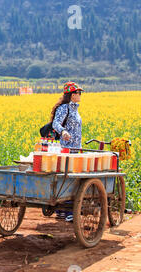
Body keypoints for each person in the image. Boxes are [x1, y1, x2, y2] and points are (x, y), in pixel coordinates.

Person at [52, 82, 85, 222]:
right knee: (69, 179)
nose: (80, 95)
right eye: (78, 93)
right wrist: (63, 131)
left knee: (71, 178)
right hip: (66, 149)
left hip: (75, 149)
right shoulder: (65, 108)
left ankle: (62, 210)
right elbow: (56, 123)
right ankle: (67, 212)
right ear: (72, 95)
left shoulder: (75, 109)